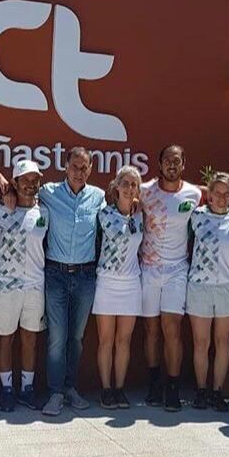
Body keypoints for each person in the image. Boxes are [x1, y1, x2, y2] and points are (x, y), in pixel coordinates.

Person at [38, 147, 105, 417]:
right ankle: (55, 393)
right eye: (75, 166)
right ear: (65, 166)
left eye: (84, 167)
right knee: (57, 337)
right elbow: (16, 189)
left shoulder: (99, 197)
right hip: (55, 273)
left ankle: (70, 388)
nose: (79, 172)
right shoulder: (48, 193)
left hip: (86, 276)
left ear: (90, 169)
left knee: (76, 338)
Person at [140, 145, 202, 411]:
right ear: (160, 164)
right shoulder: (144, 191)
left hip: (177, 270)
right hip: (148, 269)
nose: (171, 165)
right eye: (167, 160)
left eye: (176, 160)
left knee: (172, 330)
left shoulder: (194, 194)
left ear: (183, 163)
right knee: (151, 331)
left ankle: (173, 387)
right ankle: (155, 383)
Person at [0, 159, 49, 412]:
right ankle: (6, 389)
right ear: (15, 182)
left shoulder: (45, 212)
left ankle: (26, 389)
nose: (30, 184)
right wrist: (6, 194)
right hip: (5, 284)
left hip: (35, 284)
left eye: (35, 180)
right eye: (25, 180)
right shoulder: (1, 209)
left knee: (30, 339)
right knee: (5, 339)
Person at [186, 172, 229, 413]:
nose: (221, 197)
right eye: (216, 192)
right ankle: (201, 390)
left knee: (223, 342)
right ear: (209, 194)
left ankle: (217, 391)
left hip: (227, 287)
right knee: (201, 342)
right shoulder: (196, 216)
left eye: (226, 193)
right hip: (200, 286)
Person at [93, 166, 143, 409]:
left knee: (124, 341)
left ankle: (119, 389)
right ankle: (105, 389)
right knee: (106, 341)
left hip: (132, 284)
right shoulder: (104, 214)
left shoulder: (141, 216)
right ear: (116, 187)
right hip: (107, 282)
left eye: (134, 184)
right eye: (125, 183)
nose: (129, 188)